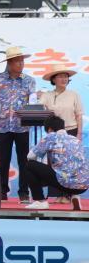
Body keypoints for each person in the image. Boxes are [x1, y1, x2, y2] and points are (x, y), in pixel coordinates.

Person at [0, 46, 36, 202]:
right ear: (9, 62)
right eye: (17, 61)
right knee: (4, 160)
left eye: (22, 60)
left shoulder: (29, 80)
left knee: (24, 160)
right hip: (3, 125)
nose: (21, 63)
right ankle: (2, 191)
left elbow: (33, 100)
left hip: (22, 125)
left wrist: (32, 115)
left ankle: (23, 191)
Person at [38, 64, 83, 204]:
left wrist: (79, 134)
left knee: (70, 165)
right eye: (61, 76)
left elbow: (79, 115)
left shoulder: (74, 94)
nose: (64, 79)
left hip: (71, 131)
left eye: (66, 77)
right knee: (55, 165)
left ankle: (69, 195)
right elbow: (38, 107)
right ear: (54, 79)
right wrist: (37, 96)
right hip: (54, 133)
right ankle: (57, 195)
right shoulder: (47, 95)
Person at [25, 115, 88, 210]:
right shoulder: (75, 139)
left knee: (29, 165)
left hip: (65, 183)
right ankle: (74, 196)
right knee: (67, 169)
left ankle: (40, 201)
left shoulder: (51, 136)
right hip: (84, 185)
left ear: (49, 129)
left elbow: (30, 156)